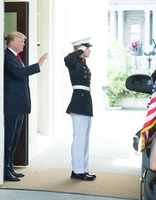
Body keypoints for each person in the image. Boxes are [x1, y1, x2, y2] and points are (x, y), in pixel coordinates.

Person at [4, 31, 48, 181]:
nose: (24, 44)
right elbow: (19, 73)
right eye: (21, 41)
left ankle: (11, 167)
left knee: (15, 137)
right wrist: (39, 64)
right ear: (12, 42)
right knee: (9, 138)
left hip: (19, 104)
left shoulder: (16, 57)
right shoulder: (7, 56)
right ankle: (6, 169)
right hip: (12, 105)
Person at [64, 37, 96, 181]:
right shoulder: (73, 61)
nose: (89, 50)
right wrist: (79, 50)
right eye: (87, 48)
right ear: (81, 49)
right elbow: (67, 58)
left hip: (85, 102)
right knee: (79, 139)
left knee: (84, 139)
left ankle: (83, 169)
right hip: (79, 102)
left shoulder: (82, 63)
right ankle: (77, 171)